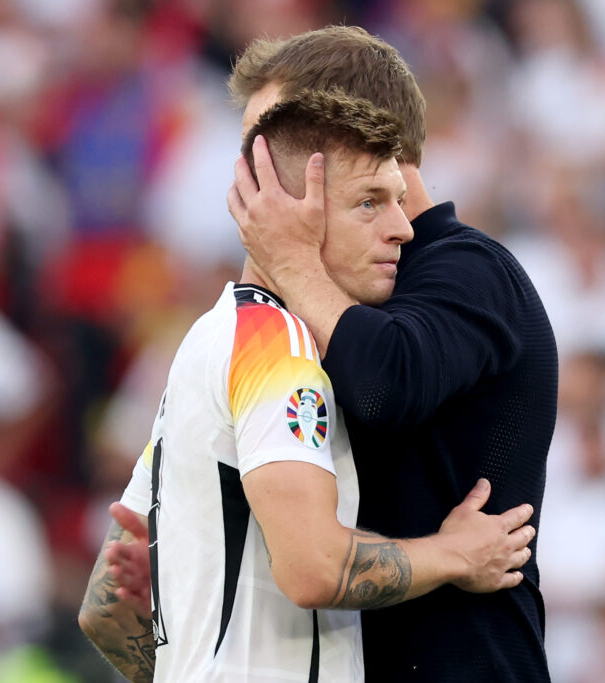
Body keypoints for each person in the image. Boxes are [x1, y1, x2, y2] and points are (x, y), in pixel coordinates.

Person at [78, 89, 536, 682]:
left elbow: (108, 605)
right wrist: (454, 554)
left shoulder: (206, 338)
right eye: (369, 204)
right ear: (296, 209)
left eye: (398, 200)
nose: (402, 228)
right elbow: (314, 568)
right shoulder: (282, 349)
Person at [225, 26, 558, 682]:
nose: (258, 181)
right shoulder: (299, 309)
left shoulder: (471, 270)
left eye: (276, 147)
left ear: (363, 135)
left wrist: (288, 260)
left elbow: (385, 380)